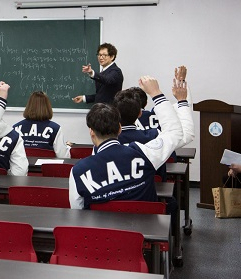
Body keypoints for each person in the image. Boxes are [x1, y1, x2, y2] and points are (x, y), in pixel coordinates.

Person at [69, 75, 193, 209]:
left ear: (91, 131)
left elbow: (78, 211)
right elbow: (176, 133)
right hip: (145, 227)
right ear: (119, 129)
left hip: (102, 229)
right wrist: (157, 94)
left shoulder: (78, 171)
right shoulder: (143, 152)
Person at [13, 91, 71, 158]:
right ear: (48, 107)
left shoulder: (16, 128)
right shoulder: (55, 128)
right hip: (46, 168)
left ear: (28, 106)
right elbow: (64, 156)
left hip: (22, 167)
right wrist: (67, 147)